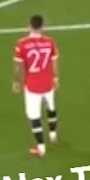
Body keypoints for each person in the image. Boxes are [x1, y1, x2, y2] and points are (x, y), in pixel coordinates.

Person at [12, 14, 59, 158]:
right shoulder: (50, 42)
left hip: (32, 85)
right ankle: (53, 134)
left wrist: (17, 81)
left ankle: (41, 148)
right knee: (50, 107)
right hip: (48, 82)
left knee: (34, 116)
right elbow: (54, 61)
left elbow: (18, 66)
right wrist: (55, 77)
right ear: (42, 27)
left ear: (29, 26)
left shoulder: (22, 44)